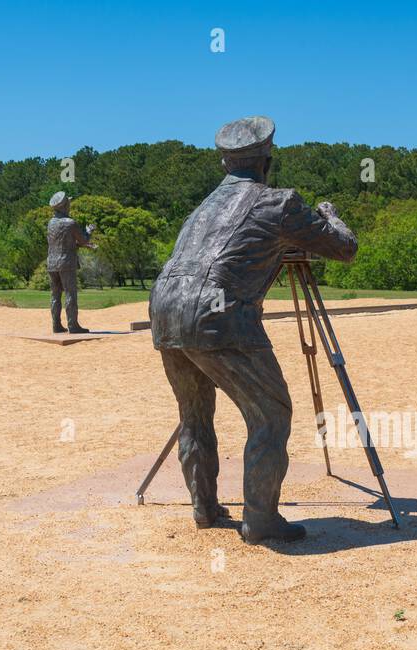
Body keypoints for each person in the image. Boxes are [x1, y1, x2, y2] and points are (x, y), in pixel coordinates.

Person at [148, 116, 358, 544]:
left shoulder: (203, 207)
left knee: (193, 416)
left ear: (225, 163)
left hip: (165, 307)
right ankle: (260, 520)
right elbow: (343, 248)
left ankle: (204, 508)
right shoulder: (279, 203)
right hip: (218, 312)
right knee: (270, 415)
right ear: (267, 159)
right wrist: (329, 216)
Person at [45, 191, 96, 334]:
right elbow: (84, 239)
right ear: (65, 205)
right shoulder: (70, 223)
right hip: (66, 263)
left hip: (52, 263)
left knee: (55, 295)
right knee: (70, 294)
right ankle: (73, 325)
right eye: (69, 203)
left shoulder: (51, 223)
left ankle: (56, 325)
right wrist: (88, 230)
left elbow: (61, 244)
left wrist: (78, 245)